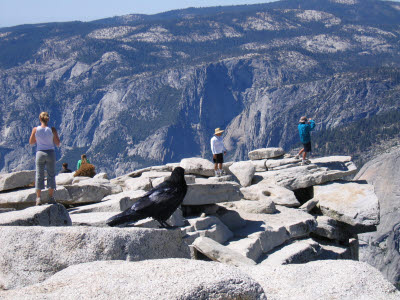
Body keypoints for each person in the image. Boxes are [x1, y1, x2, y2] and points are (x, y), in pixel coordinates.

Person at [29, 112, 61, 205]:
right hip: (50, 153)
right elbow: (57, 143)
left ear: (40, 119)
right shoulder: (52, 129)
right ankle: (50, 197)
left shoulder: (35, 129)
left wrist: (38, 139)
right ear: (48, 119)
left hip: (40, 153)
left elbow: (31, 142)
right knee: (51, 174)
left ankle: (38, 198)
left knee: (39, 174)